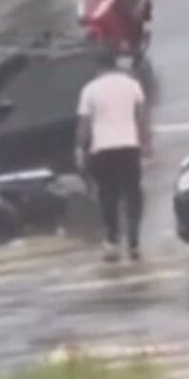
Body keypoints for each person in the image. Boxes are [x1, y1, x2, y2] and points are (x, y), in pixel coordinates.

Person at [76, 48, 151, 263]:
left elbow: (85, 124)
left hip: (103, 149)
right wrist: (146, 144)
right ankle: (134, 241)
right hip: (128, 146)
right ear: (115, 62)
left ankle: (112, 240)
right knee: (133, 193)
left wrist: (80, 148)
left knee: (108, 195)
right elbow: (142, 117)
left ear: (98, 66)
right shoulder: (132, 85)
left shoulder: (89, 90)